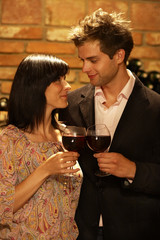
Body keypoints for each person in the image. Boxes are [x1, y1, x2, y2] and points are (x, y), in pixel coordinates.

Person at [59, 8, 160, 240]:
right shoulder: (71, 104)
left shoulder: (156, 109)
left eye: (93, 60)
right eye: (82, 60)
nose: (85, 69)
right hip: (80, 231)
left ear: (119, 56)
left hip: (137, 231)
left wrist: (133, 170)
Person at [0, 54, 83, 239]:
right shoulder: (9, 140)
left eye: (65, 79)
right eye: (57, 80)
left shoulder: (65, 137)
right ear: (35, 86)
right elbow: (2, 207)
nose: (67, 86)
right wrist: (45, 170)